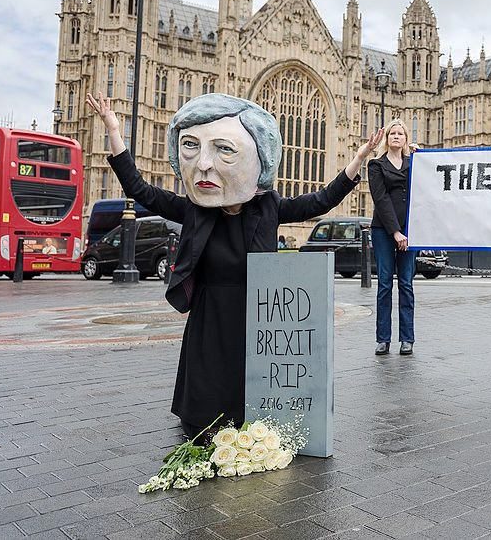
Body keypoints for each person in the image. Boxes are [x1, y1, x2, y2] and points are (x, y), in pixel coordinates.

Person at [86, 91, 383, 437]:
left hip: (254, 309)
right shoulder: (194, 209)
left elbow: (321, 200)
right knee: (208, 371)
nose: (205, 166)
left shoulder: (268, 206)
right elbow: (140, 190)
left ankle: (248, 420)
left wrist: (359, 159)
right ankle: (200, 421)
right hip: (209, 309)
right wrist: (113, 130)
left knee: (248, 371)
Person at [367, 119, 417, 356]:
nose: (396, 136)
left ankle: (407, 338)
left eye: (401, 133)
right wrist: (396, 232)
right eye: (392, 133)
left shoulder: (414, 163)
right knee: (385, 284)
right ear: (386, 139)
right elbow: (381, 199)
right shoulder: (376, 165)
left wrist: (424, 158)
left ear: (406, 139)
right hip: (384, 230)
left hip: (410, 230)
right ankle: (383, 339)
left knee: (406, 284)